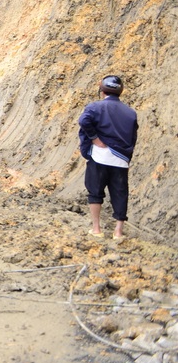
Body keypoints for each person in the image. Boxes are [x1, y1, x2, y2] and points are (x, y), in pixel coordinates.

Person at [78, 75, 138, 240]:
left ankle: (96, 229)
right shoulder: (130, 113)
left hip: (99, 157)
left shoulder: (95, 107)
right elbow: (133, 137)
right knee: (120, 194)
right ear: (120, 91)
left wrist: (95, 139)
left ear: (102, 90)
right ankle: (118, 232)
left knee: (95, 192)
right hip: (121, 161)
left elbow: (84, 121)